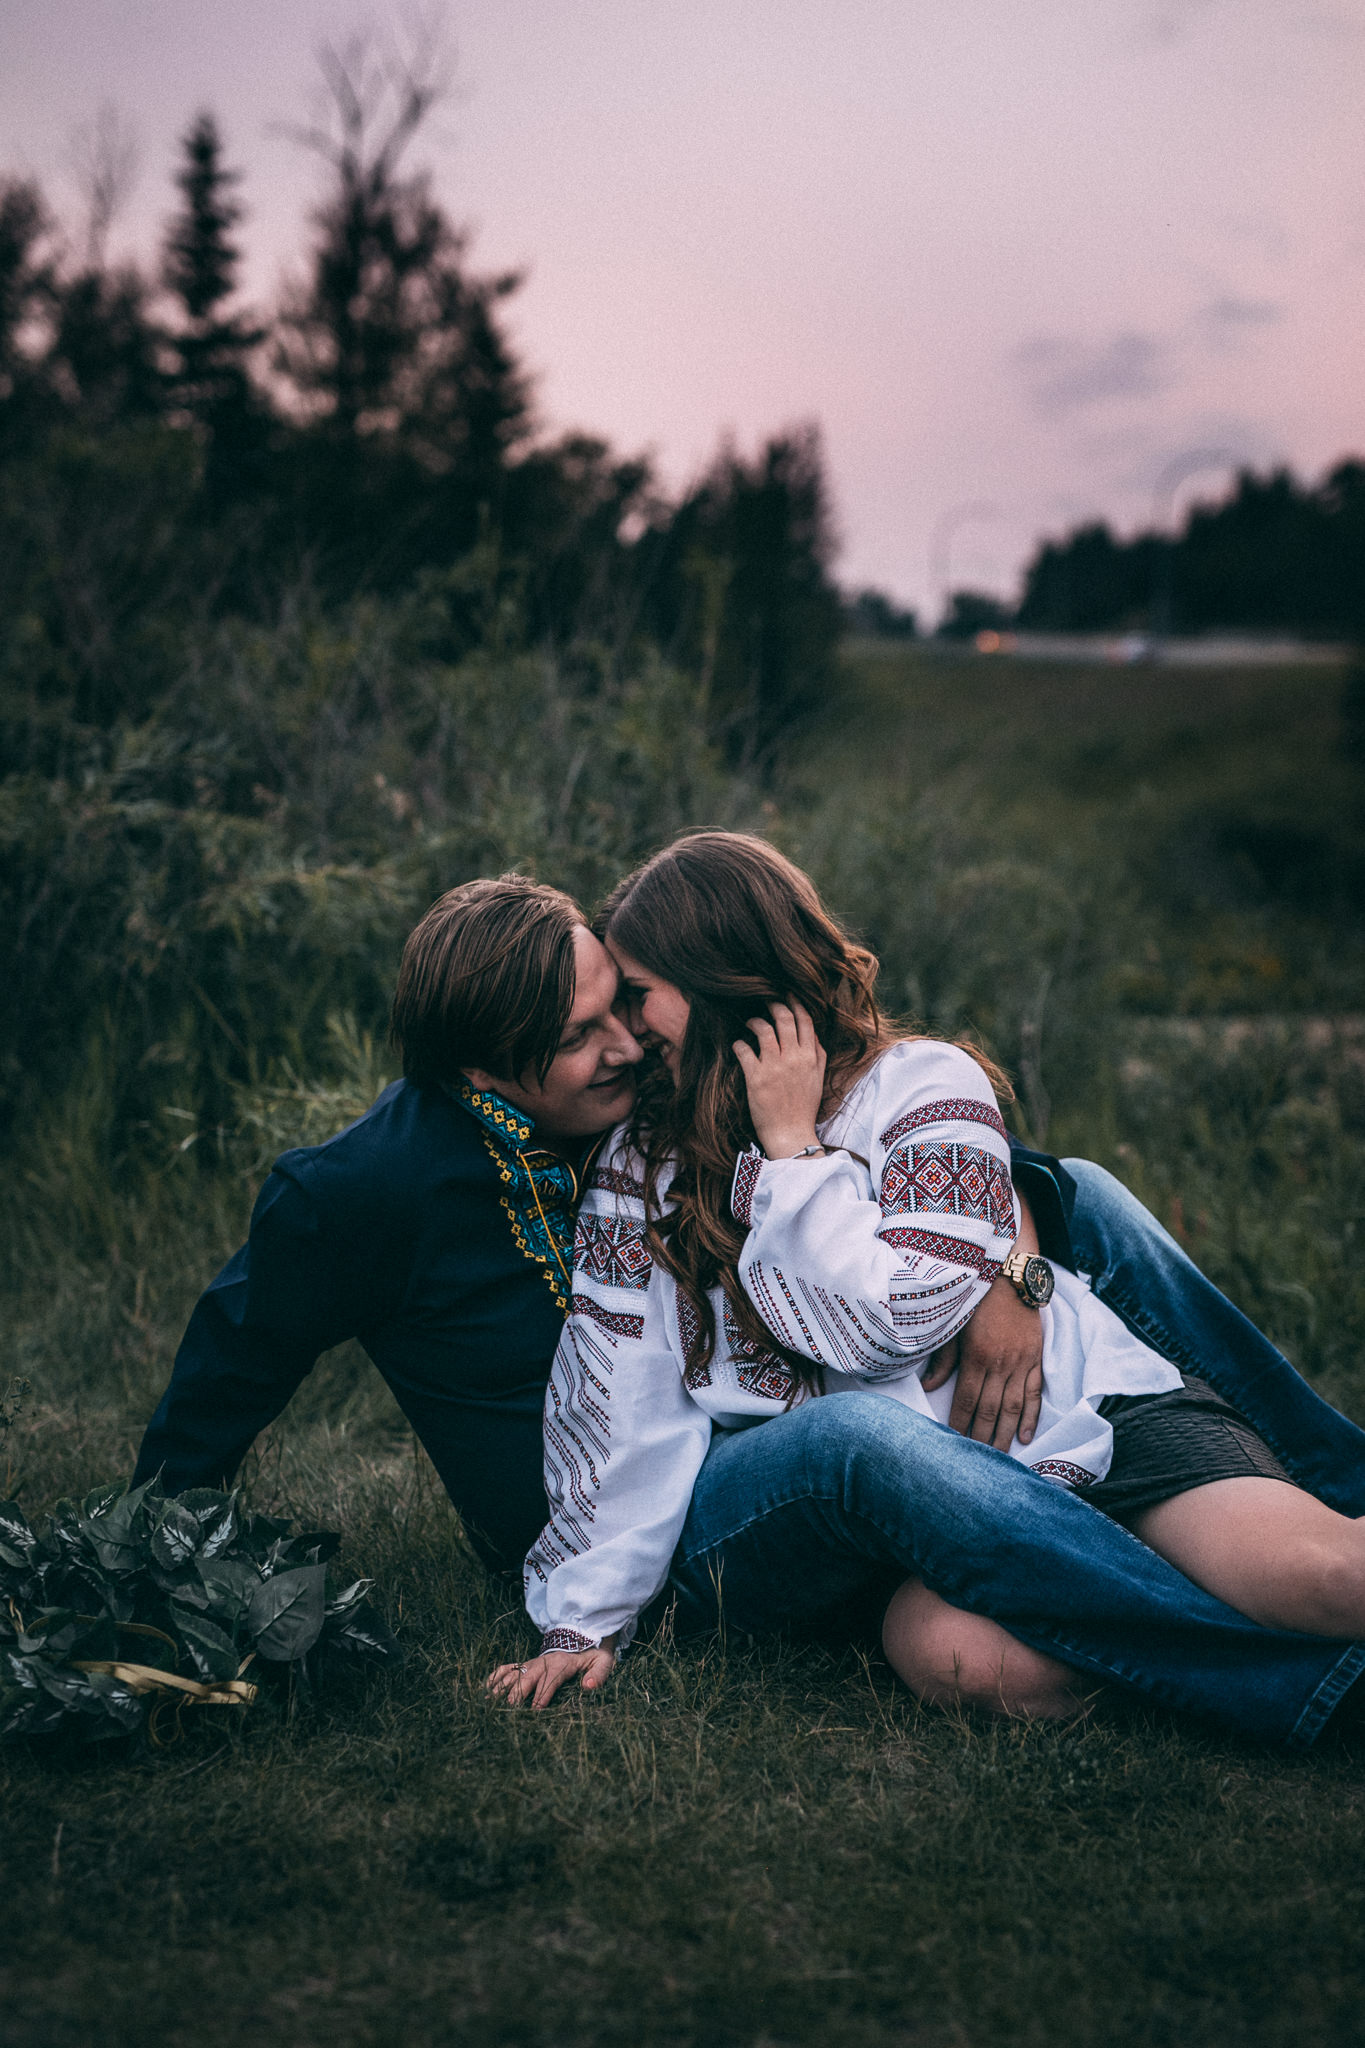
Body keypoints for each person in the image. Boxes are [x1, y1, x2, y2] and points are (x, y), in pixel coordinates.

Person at [492, 833, 1365, 1738]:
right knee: (955, 1657)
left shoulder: (922, 1086)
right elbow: (620, 1388)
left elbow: (889, 1322)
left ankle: (1252, 1638)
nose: (629, 1038)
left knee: (1328, 1579)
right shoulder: (643, 1166)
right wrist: (584, 1616)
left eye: (637, 998)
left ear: (720, 977)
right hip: (943, 1510)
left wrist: (793, 1154)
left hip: (1085, 1417)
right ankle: (1215, 1631)